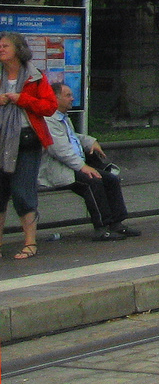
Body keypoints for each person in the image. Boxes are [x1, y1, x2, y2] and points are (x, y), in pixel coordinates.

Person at [39, 82, 139, 240]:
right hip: (59, 168)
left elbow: (73, 137)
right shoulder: (48, 120)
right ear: (55, 98)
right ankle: (101, 227)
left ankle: (117, 223)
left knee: (111, 180)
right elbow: (59, 150)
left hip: (74, 166)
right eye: (68, 95)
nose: (72, 99)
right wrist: (83, 167)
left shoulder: (63, 118)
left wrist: (90, 141)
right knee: (92, 182)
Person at [0, 34, 56, 260]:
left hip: (26, 140)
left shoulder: (35, 76)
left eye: (5, 46)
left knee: (23, 192)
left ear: (18, 50)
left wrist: (22, 99)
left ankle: (30, 242)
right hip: (1, 139)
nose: (1, 49)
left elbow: (50, 107)